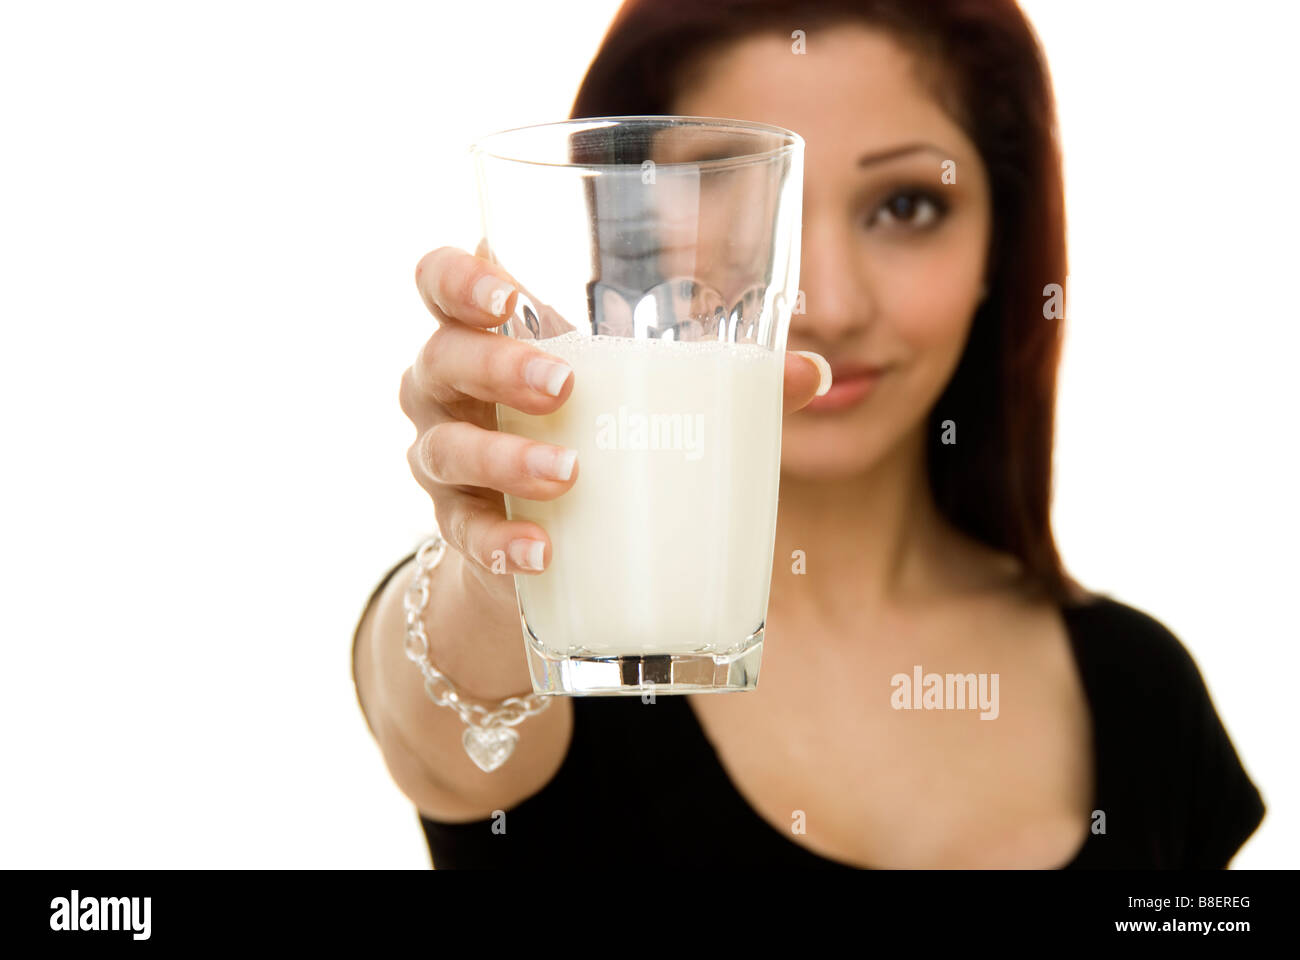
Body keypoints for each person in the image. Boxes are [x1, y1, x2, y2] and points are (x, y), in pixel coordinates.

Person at [352, 0, 1266, 868]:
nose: (823, 302)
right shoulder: (569, 636)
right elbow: (448, 722)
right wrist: (493, 573)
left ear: (1000, 245)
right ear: (613, 229)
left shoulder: (1143, 691)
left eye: (905, 206)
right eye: (724, 194)